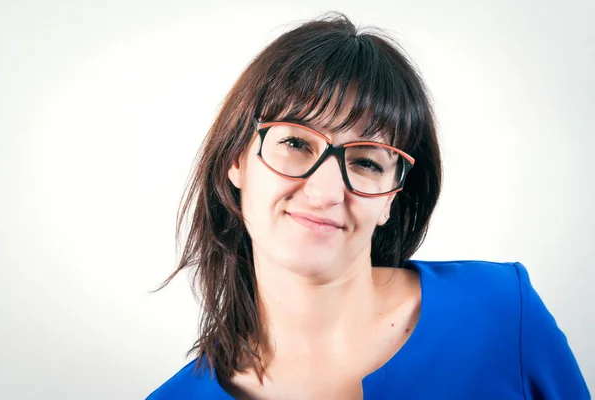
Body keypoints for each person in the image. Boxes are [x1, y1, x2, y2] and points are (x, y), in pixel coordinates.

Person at [146, 13, 590, 400]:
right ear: (236, 161)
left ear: (392, 199)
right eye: (295, 143)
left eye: (365, 162)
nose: (325, 192)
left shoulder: (502, 312)